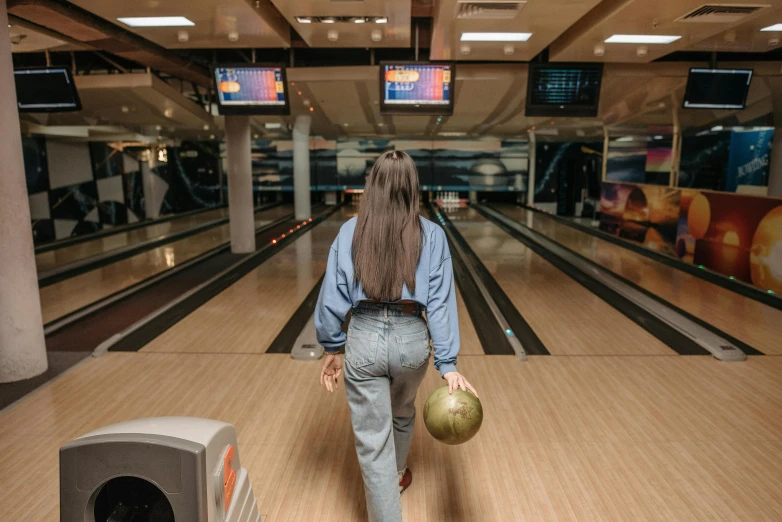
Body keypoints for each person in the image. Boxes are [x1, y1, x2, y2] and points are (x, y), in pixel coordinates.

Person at [314, 150, 478, 522]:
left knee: (373, 443)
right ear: (412, 188)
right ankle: (397, 474)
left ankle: (386, 497)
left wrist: (332, 347)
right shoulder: (432, 234)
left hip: (365, 336)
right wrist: (447, 364)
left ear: (371, 186)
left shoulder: (349, 231)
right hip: (411, 340)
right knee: (402, 413)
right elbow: (439, 302)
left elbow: (333, 295)